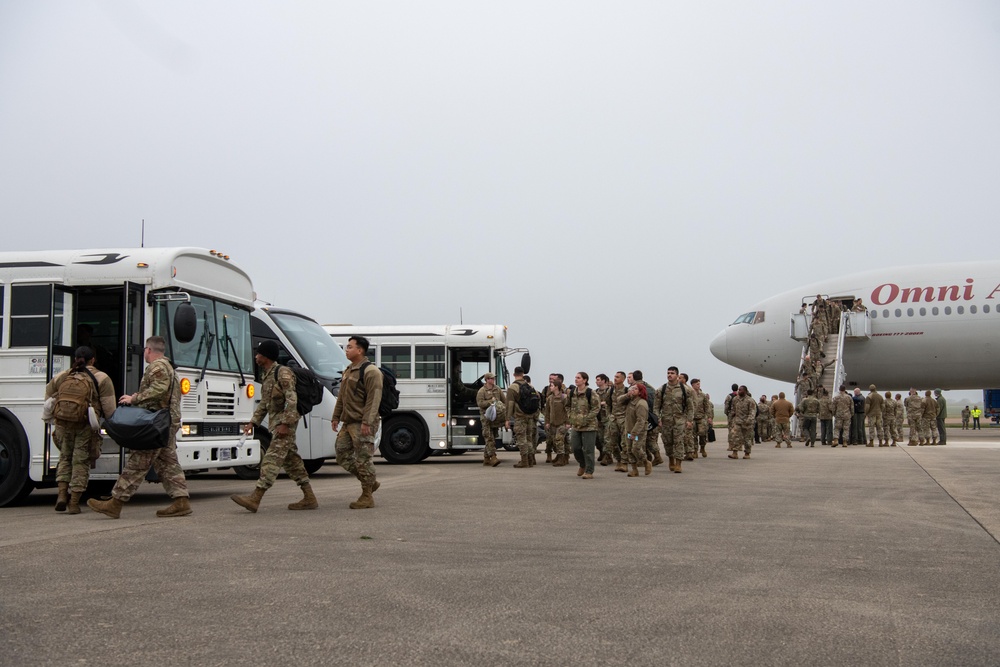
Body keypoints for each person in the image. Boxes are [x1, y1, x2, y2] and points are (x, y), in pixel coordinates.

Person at [88, 336, 191, 519]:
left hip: (156, 425)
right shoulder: (169, 367)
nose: (144, 353)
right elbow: (163, 392)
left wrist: (134, 399)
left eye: (145, 350)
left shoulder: (157, 367)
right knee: (168, 463)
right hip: (166, 423)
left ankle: (115, 502)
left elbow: (159, 389)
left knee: (138, 462)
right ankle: (181, 501)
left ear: (149, 350)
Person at [231, 340, 317, 513]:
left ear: (266, 356)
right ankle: (309, 497)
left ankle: (255, 498)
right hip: (276, 424)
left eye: (258, 354)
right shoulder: (267, 375)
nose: (256, 356)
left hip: (285, 425)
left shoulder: (283, 373)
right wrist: (252, 423)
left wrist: (285, 424)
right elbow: (264, 403)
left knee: (270, 459)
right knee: (292, 462)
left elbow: (292, 400)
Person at [45, 346, 116, 513]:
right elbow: (110, 409)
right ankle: (74, 503)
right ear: (93, 360)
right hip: (85, 425)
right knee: (81, 461)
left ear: (75, 359)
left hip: (63, 424)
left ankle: (62, 495)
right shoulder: (102, 378)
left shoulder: (63, 376)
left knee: (65, 458)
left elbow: (48, 397)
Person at [332, 335, 383, 508]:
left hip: (363, 423)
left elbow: (374, 399)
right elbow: (341, 396)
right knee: (341, 454)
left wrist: (367, 422)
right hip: (348, 422)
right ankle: (370, 480)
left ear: (359, 350)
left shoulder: (371, 372)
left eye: (349, 347)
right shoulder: (348, 369)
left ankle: (367, 496)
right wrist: (336, 416)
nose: (346, 350)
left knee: (363, 459)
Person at [656, 367, 694, 473]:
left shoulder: (684, 390)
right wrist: (658, 419)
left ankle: (678, 464)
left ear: (677, 375)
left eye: (672, 373)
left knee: (679, 442)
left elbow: (690, 407)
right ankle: (671, 459)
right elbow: (656, 407)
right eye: (668, 373)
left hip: (679, 420)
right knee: (667, 442)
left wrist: (689, 420)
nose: (669, 375)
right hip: (666, 421)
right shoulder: (661, 389)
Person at [566, 372, 601, 479]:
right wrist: (570, 416)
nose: (576, 379)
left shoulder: (591, 393)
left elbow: (596, 408)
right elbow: (567, 406)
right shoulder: (572, 393)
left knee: (588, 449)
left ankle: (589, 471)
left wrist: (586, 419)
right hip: (576, 425)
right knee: (575, 448)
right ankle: (582, 464)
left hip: (589, 426)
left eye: (578, 378)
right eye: (575, 377)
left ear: (584, 380)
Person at [505, 366, 538, 468]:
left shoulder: (512, 387)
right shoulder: (530, 386)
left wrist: (507, 419)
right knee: (529, 439)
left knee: (521, 439)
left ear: (514, 374)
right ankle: (531, 459)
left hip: (520, 417)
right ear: (523, 374)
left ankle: (524, 461)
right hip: (530, 416)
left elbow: (510, 404)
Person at [476, 372, 506, 467]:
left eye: (493, 378)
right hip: (486, 417)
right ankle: (493, 457)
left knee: (493, 436)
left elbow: (504, 401)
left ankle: (486, 458)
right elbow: (480, 404)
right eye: (491, 378)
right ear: (487, 380)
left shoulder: (497, 389)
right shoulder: (482, 391)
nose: (493, 380)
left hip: (495, 417)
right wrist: (490, 402)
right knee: (488, 437)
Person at [622, 382, 649, 477]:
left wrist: (634, 433)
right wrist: (627, 395)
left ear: (640, 392)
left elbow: (641, 421)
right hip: (629, 429)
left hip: (638, 431)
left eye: (635, 389)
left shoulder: (641, 403)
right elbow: (619, 401)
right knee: (629, 450)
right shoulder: (630, 401)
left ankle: (645, 461)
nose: (632, 390)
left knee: (636, 448)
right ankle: (634, 470)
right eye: (632, 389)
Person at [606, 371, 629, 472]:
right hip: (613, 419)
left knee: (625, 442)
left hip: (624, 419)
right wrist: (609, 415)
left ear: (623, 379)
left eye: (617, 377)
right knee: (612, 442)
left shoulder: (627, 391)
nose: (615, 378)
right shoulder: (610, 391)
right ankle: (618, 460)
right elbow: (607, 404)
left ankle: (624, 462)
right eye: (615, 376)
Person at [544, 377, 569, 465]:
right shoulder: (550, 398)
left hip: (562, 423)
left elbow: (568, 411)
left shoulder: (564, 397)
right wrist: (547, 422)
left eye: (552, 386)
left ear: (556, 387)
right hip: (553, 424)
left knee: (559, 440)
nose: (550, 387)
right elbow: (547, 411)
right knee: (555, 441)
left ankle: (562, 459)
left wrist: (568, 423)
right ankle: (560, 456)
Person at [728, 386, 756, 459]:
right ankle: (735, 453)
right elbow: (733, 409)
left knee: (747, 439)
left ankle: (747, 453)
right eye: (738, 390)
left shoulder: (750, 400)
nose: (739, 391)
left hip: (747, 423)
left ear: (745, 391)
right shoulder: (735, 399)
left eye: (740, 390)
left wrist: (749, 420)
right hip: (737, 421)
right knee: (735, 437)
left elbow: (752, 412)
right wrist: (731, 419)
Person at [594, 373, 612, 464]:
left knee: (607, 438)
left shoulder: (610, 391)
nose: (596, 382)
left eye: (598, 380)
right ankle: (602, 452)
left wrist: (605, 403)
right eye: (596, 380)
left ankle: (607, 456)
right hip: (599, 419)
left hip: (608, 418)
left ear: (604, 381)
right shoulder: (595, 392)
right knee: (599, 438)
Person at [691, 378, 711, 457]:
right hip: (692, 417)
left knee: (702, 433)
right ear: (692, 385)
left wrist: (709, 417)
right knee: (693, 435)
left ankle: (702, 447)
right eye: (697, 384)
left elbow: (707, 406)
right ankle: (695, 451)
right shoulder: (689, 394)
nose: (699, 386)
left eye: (699, 384)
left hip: (701, 417)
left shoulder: (702, 395)